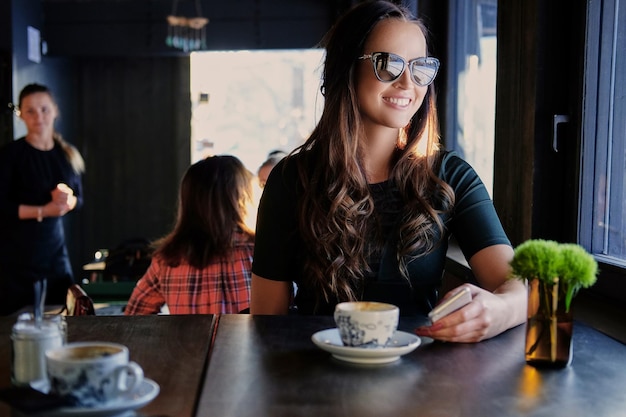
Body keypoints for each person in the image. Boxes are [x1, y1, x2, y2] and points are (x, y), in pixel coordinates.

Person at [250, 1, 526, 343]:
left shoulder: (450, 174)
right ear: (346, 68)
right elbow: (266, 319)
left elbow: (516, 286)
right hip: (315, 375)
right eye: (388, 64)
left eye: (421, 67)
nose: (408, 82)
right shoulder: (292, 179)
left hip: (423, 377)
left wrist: (499, 311)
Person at [125, 155, 255, 315]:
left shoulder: (167, 259)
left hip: (187, 341)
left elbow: (134, 314)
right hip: (246, 341)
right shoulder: (258, 251)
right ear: (240, 197)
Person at [0, 83, 84, 315]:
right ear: (21, 115)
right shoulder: (10, 155)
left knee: (61, 322)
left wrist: (67, 201)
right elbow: (2, 207)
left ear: (55, 111)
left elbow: (79, 200)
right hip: (16, 259)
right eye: (30, 111)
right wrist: (43, 211)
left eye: (44, 109)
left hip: (55, 256)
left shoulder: (67, 154)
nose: (39, 116)